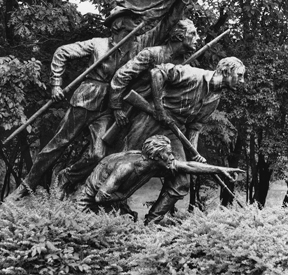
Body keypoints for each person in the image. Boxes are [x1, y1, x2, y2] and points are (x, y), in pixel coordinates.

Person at [10, 0, 186, 199]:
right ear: (119, 23)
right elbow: (61, 53)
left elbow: (167, 24)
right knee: (58, 144)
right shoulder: (98, 44)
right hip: (86, 99)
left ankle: (66, 177)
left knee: (97, 154)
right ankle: (23, 188)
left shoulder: (138, 46)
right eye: (132, 18)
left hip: (109, 107)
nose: (138, 21)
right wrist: (56, 84)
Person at [56, 18, 200, 193]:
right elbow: (120, 77)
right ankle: (80, 185)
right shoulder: (151, 54)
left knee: (168, 166)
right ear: (178, 36)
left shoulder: (185, 64)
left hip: (159, 119)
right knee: (113, 157)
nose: (197, 38)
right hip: (134, 113)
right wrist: (116, 108)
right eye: (193, 33)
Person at [124, 57, 245, 224]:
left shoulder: (214, 99)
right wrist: (159, 108)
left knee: (181, 181)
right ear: (226, 71)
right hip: (150, 120)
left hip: (174, 131)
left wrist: (192, 154)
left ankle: (153, 221)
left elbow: (195, 126)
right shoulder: (193, 75)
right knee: (128, 169)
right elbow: (157, 72)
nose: (242, 80)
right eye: (239, 75)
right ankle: (113, 213)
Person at [77, 135, 243, 217]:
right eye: (168, 154)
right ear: (156, 155)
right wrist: (123, 196)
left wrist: (219, 169)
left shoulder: (155, 164)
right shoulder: (126, 167)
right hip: (88, 204)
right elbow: (100, 197)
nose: (172, 157)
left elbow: (188, 166)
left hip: (111, 202)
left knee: (129, 220)